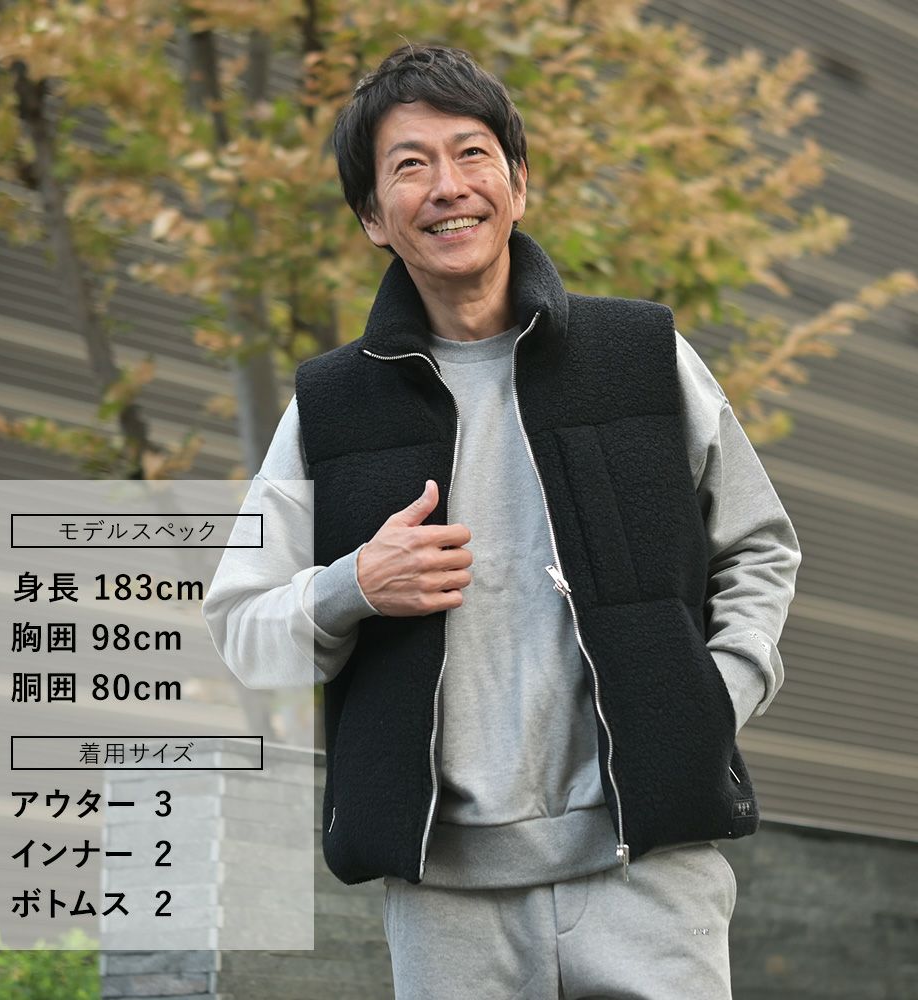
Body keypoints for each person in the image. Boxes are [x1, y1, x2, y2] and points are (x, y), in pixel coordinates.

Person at [202, 43, 801, 1000]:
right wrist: (355, 585)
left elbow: (759, 545)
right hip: (446, 903)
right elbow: (240, 625)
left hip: (650, 873)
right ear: (372, 217)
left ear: (518, 185)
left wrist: (712, 701)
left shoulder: (641, 355)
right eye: (410, 165)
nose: (448, 187)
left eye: (472, 154)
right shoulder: (330, 407)